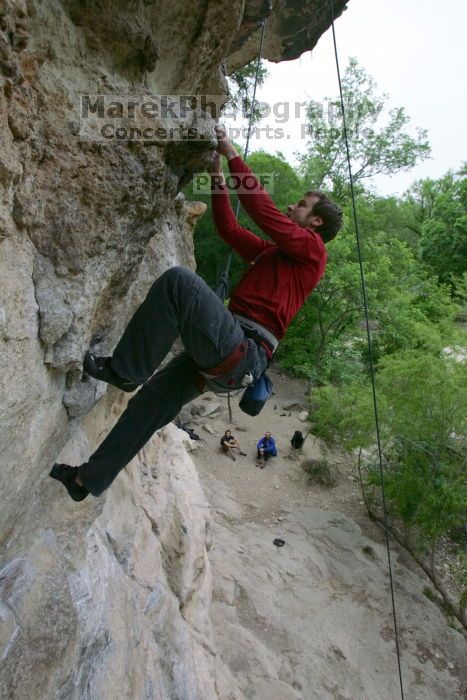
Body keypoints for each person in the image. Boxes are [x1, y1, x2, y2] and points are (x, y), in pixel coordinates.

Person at [50, 125, 343, 501]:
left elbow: (264, 211)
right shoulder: (279, 254)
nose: (291, 207)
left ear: (316, 222)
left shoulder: (313, 250)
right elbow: (229, 229)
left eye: (301, 205)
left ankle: (125, 370)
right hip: (232, 355)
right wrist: (218, 177)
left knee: (179, 284)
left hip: (241, 349)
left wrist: (232, 154)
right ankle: (86, 481)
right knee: (149, 405)